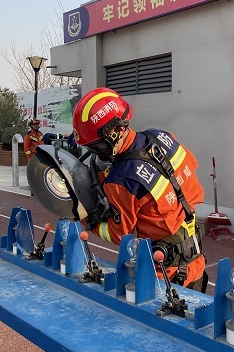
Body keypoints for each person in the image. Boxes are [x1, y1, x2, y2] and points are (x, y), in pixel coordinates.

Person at [72, 87, 208, 292]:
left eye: (98, 147)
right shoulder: (160, 136)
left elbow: (118, 234)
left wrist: (86, 218)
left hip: (164, 277)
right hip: (195, 263)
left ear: (117, 131)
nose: (95, 153)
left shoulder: (121, 180)